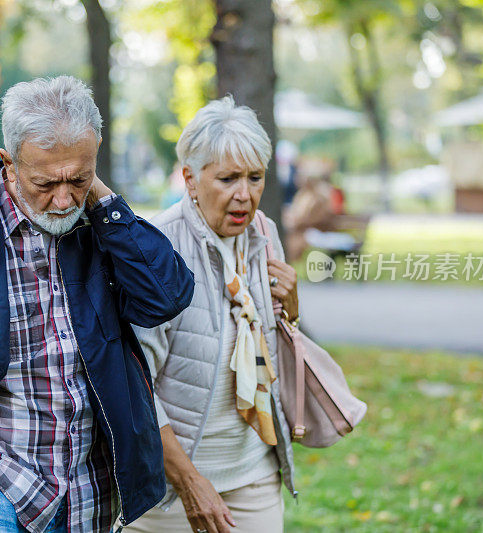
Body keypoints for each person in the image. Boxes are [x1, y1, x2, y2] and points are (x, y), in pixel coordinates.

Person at [0, 76, 195, 533]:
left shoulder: (101, 228)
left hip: (93, 497)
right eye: (45, 181)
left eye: (78, 178)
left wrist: (103, 201)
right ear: (9, 162)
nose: (63, 200)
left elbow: (166, 296)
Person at [125, 96, 299, 533]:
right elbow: (134, 385)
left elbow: (268, 344)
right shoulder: (157, 248)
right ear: (190, 179)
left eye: (255, 177)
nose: (245, 194)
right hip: (168, 488)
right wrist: (188, 481)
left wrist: (290, 309)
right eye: (228, 178)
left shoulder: (263, 234)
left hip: (252, 471)